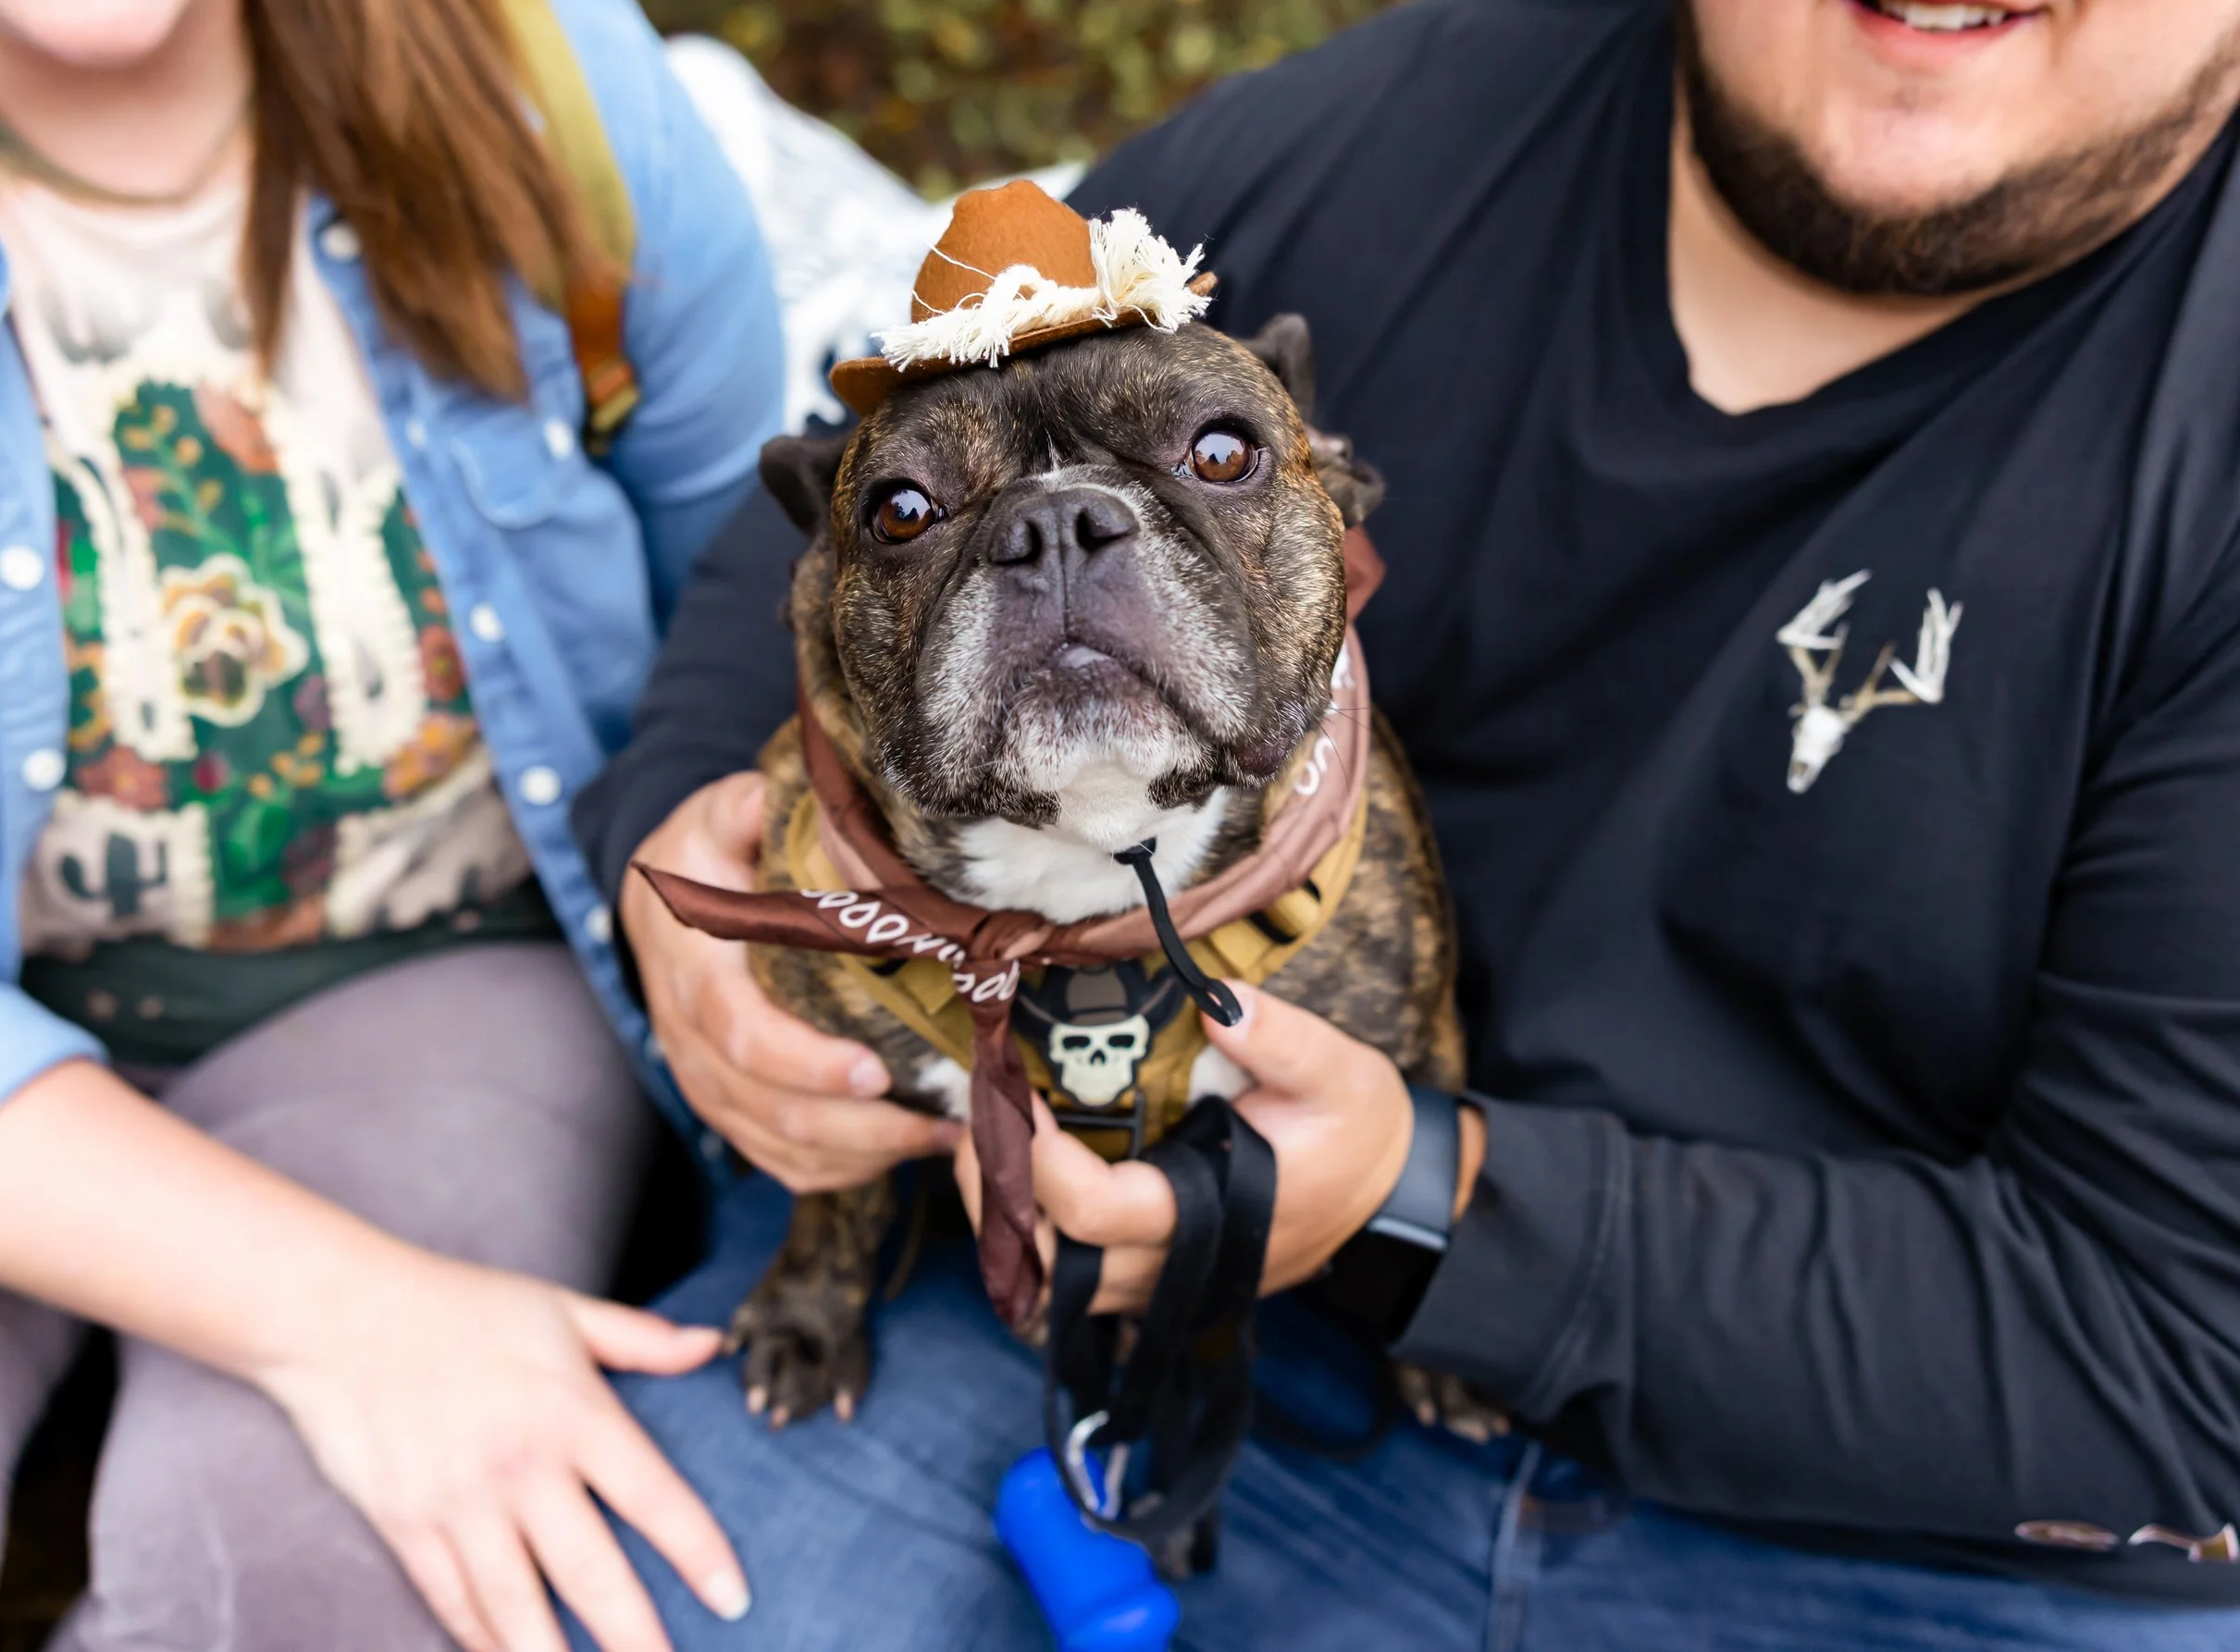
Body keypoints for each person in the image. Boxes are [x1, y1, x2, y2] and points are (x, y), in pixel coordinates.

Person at [575, 0, 2240, 1646]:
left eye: (1215, 452)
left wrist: (1425, 1197)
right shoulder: (1360, 133)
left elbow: (2176, 1351)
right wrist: (672, 872)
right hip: (1070, 1309)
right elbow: (824, 527)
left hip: (1925, 1535)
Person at [0, 0, 786, 1647]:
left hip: (425, 984)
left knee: (306, 1567)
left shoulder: (548, 89)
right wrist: (352, 1314)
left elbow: (753, 628)